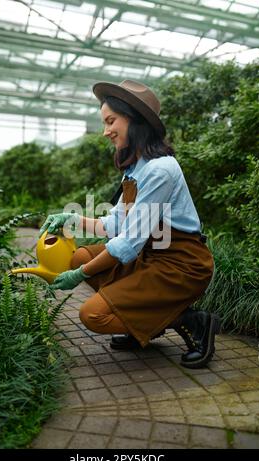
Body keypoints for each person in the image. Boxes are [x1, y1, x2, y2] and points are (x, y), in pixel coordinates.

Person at [39, 80, 220, 369]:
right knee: (82, 255)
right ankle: (140, 325)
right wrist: (72, 220)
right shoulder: (136, 169)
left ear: (135, 120)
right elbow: (116, 224)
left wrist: (78, 275)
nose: (105, 131)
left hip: (181, 266)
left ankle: (192, 321)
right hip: (151, 256)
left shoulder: (160, 169)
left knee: (93, 315)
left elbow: (128, 242)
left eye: (111, 121)